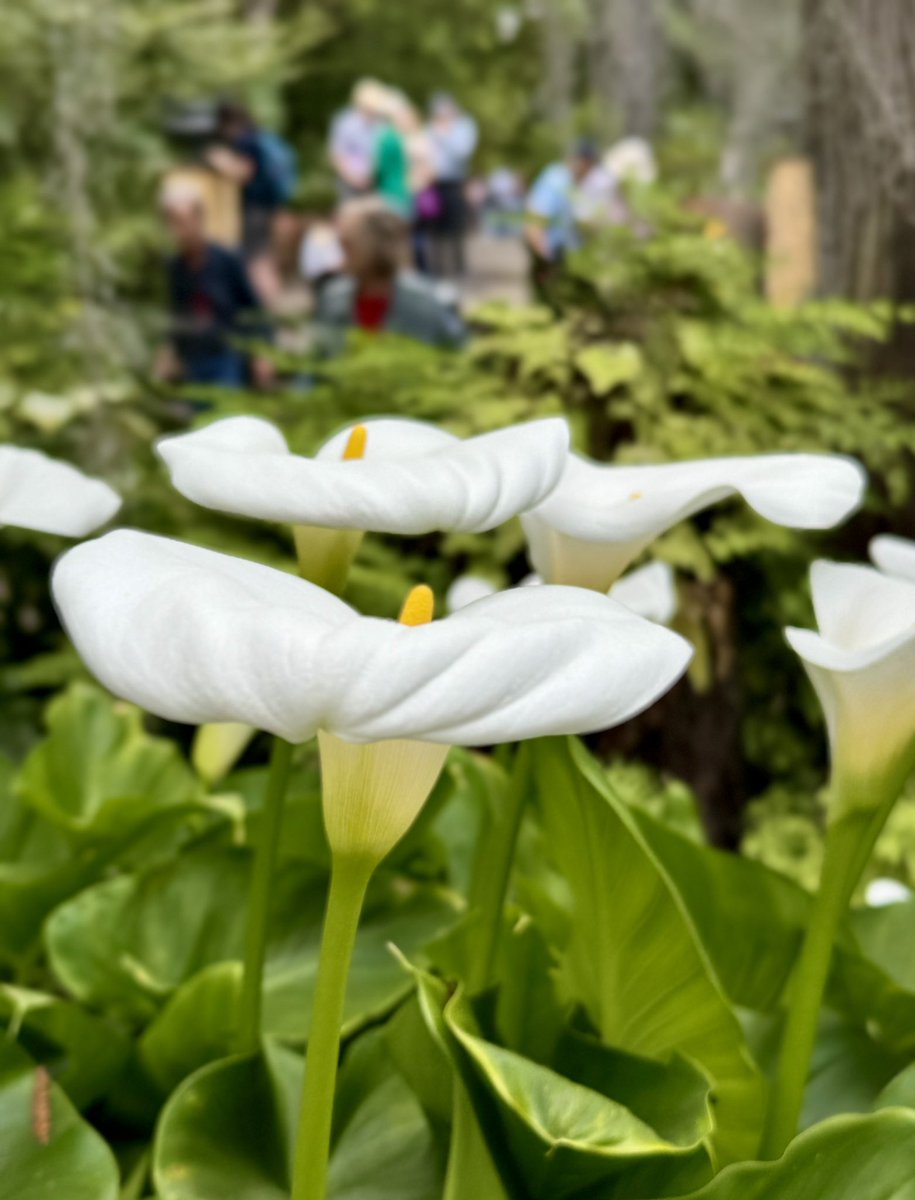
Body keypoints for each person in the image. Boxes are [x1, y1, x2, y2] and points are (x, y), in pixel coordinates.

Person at [156, 182, 273, 389]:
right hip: (194, 359)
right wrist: (171, 351)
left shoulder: (227, 259)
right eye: (172, 222)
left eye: (183, 221)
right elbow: (177, 313)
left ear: (199, 218)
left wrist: (262, 353)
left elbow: (253, 308)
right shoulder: (176, 267)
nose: (179, 230)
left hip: (228, 355)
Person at [315, 196, 467, 352]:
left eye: (346, 246)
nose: (339, 257)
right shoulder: (332, 298)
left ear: (372, 247)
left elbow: (459, 357)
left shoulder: (431, 301)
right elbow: (316, 364)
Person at [524, 139, 599, 296]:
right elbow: (535, 219)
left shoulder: (572, 182)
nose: (591, 172)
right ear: (583, 162)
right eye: (590, 166)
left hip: (563, 258)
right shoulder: (555, 179)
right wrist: (544, 260)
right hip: (550, 256)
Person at [425, 93, 478, 278]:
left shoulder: (464, 126)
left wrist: (445, 134)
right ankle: (437, 267)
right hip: (433, 182)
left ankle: (459, 267)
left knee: (457, 225)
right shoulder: (431, 127)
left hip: (455, 181)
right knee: (435, 226)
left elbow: (462, 151)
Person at [328, 79, 385, 199]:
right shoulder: (345, 122)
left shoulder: (382, 125)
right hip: (349, 183)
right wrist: (354, 179)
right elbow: (337, 155)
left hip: (376, 182)